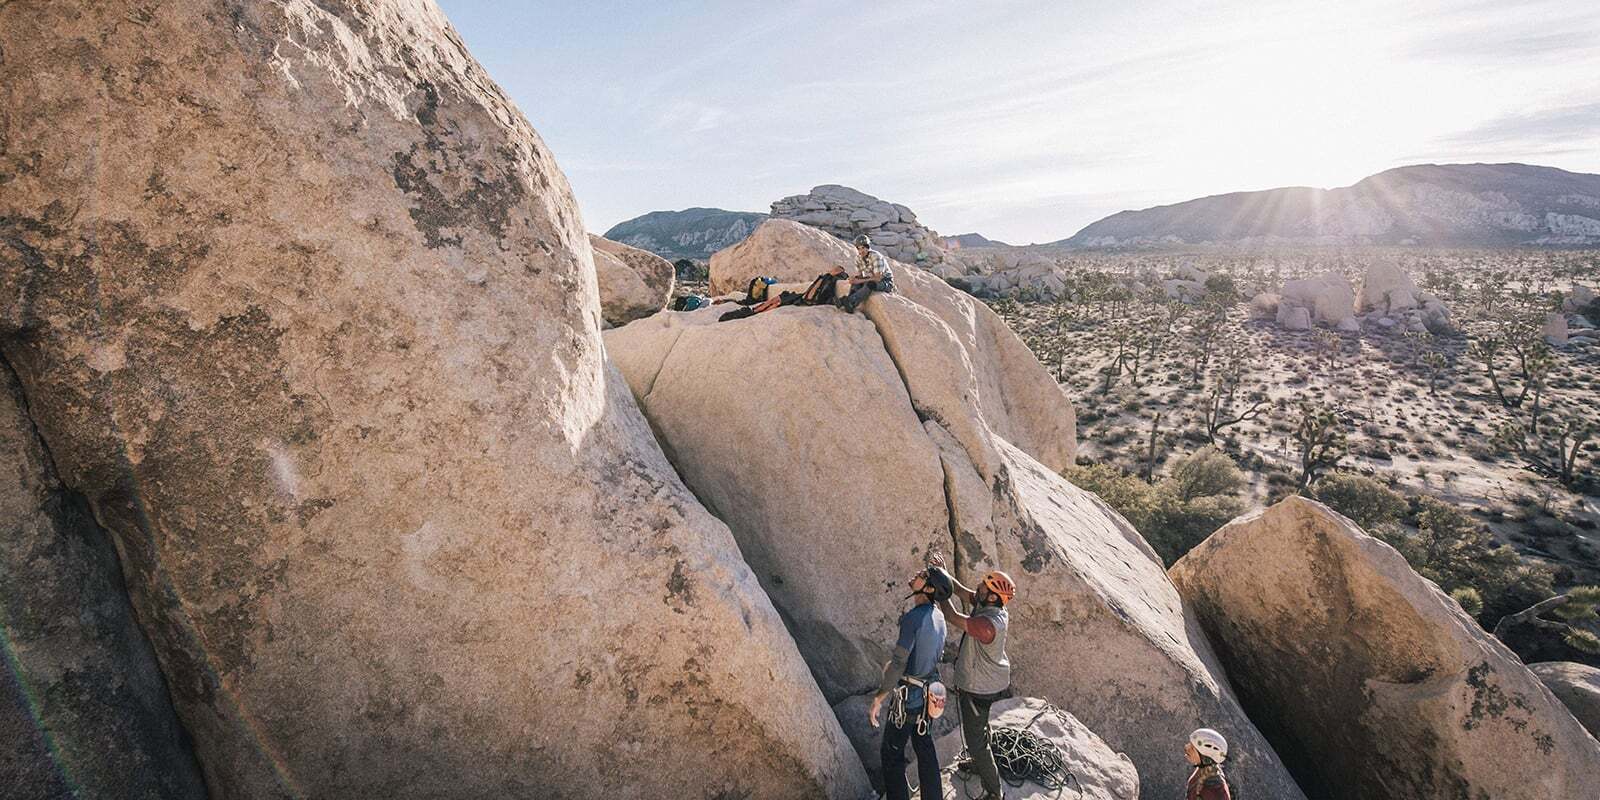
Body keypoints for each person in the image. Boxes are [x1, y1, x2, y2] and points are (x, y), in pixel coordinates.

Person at [927, 555, 1013, 800]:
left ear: (993, 596)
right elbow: (965, 593)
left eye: (984, 587)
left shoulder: (988, 624)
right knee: (979, 726)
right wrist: (945, 574)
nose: (979, 587)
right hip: (986, 680)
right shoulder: (991, 605)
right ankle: (980, 762)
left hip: (979, 687)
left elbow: (953, 617)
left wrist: (942, 593)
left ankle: (995, 792)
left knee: (976, 740)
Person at [869, 566, 952, 800]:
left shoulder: (913, 618)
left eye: (923, 576)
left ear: (929, 588)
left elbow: (898, 662)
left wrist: (878, 699)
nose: (916, 574)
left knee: (891, 753)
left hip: (908, 698)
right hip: (930, 693)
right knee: (924, 747)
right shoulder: (939, 617)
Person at [838, 233, 896, 313]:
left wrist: (859, 281)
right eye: (859, 248)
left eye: (863, 248)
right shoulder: (858, 258)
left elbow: (878, 278)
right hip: (872, 278)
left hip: (885, 281)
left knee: (870, 284)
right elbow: (860, 275)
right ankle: (849, 302)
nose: (861, 251)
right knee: (856, 281)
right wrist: (854, 278)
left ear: (868, 247)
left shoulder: (876, 257)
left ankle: (849, 301)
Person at [1184, 728, 1232, 800]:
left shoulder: (1215, 790)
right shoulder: (1203, 771)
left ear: (1205, 758)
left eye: (1192, 748)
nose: (1186, 747)